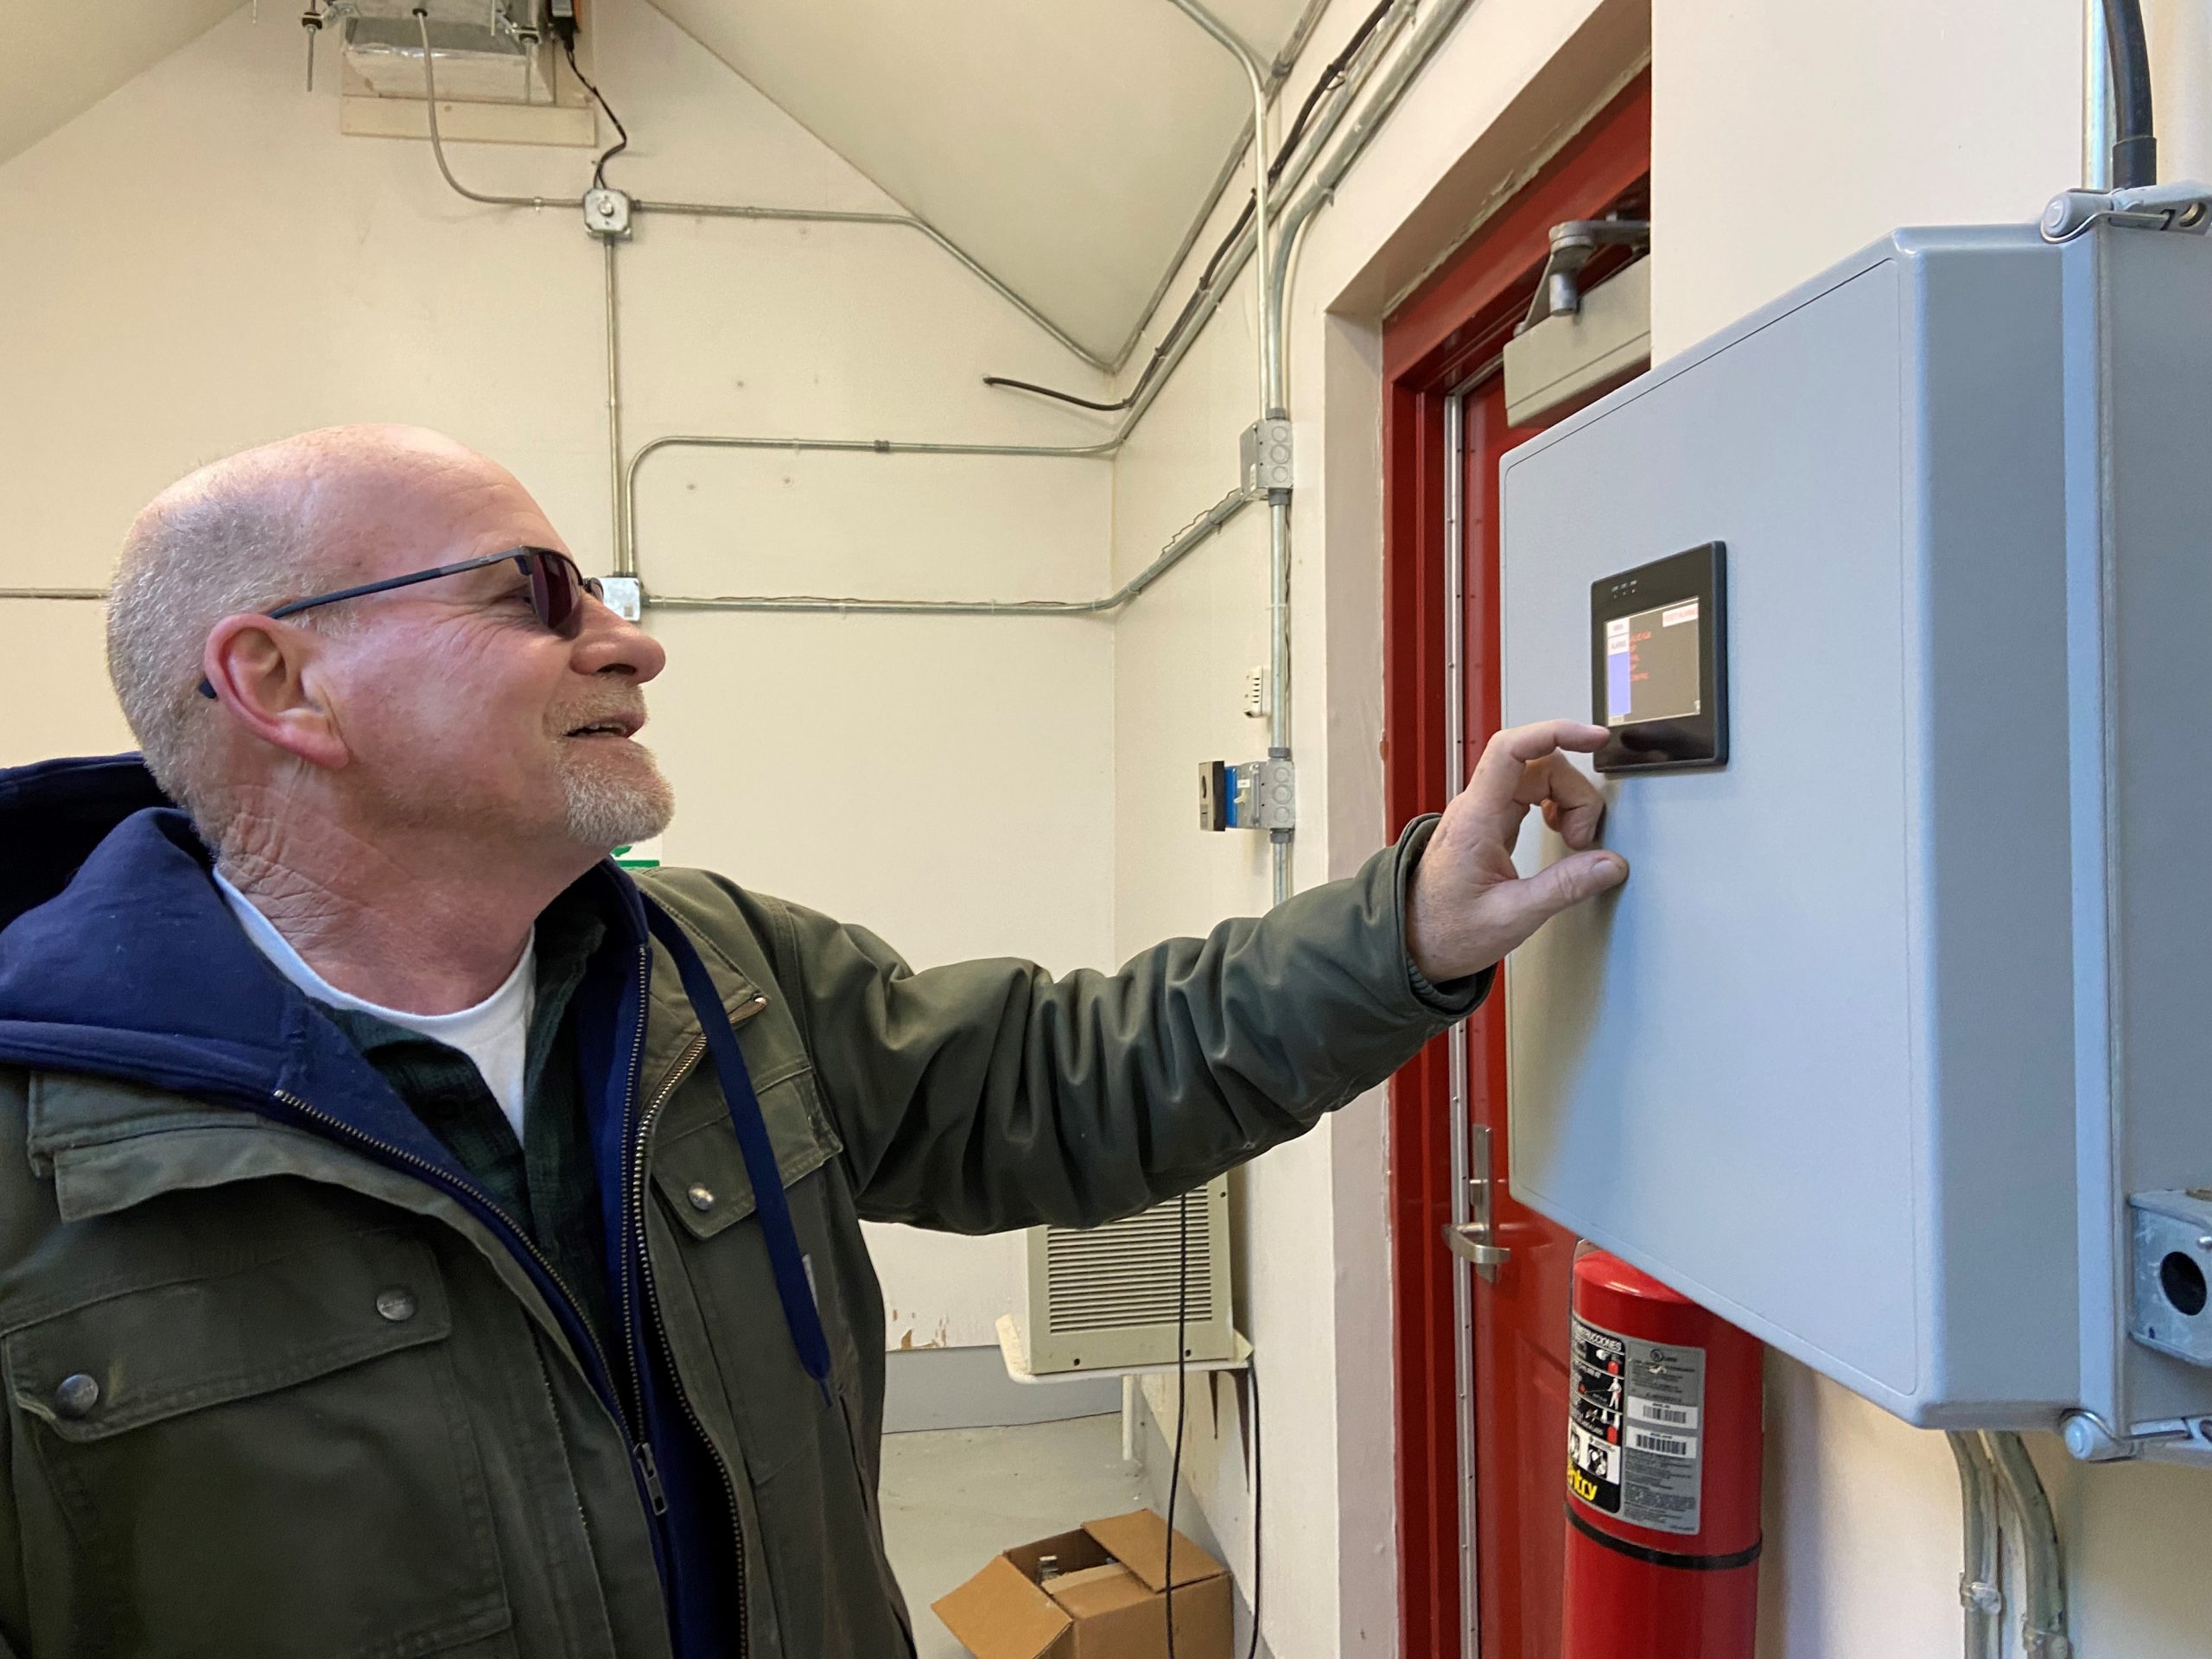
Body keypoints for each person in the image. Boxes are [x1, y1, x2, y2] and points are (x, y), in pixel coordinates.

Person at [0, 426, 1626, 1658]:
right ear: (282, 680)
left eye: (610, 598)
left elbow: (1064, 1082)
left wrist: (1406, 930)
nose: (630, 644)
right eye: (534, 596)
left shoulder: (712, 975)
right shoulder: (40, 1142)